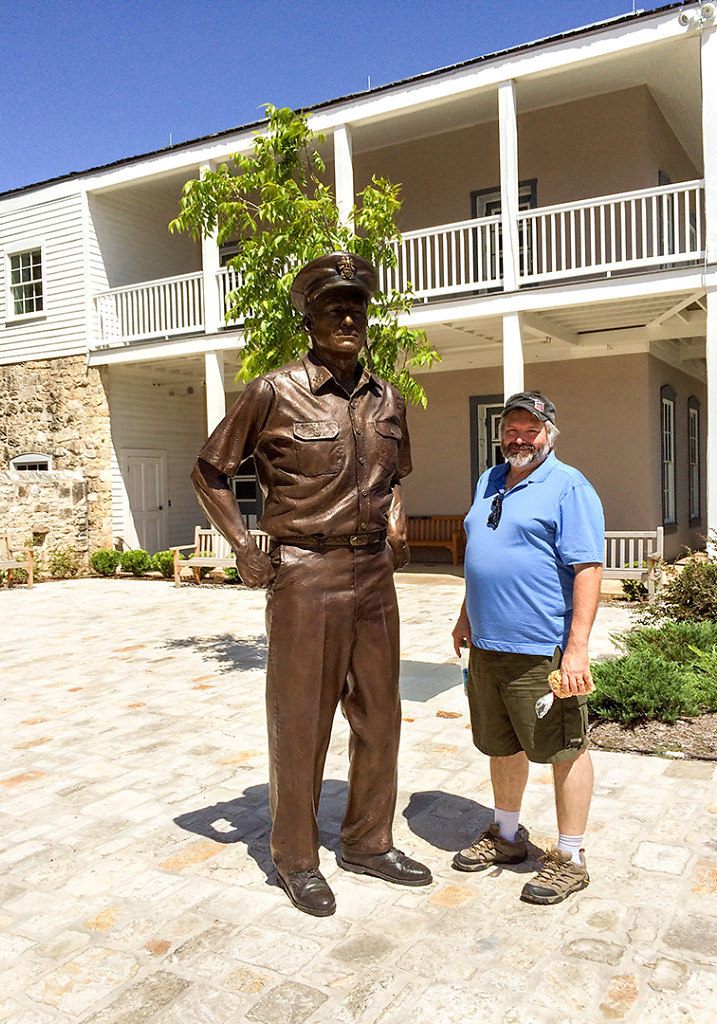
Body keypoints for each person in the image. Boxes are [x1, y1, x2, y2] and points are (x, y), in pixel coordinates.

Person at [191, 252, 432, 917]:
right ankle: (295, 857)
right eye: (334, 308)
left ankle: (367, 841)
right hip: (306, 573)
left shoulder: (388, 397)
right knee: (301, 724)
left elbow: (394, 478)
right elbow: (210, 471)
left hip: (374, 577)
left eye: (356, 306)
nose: (349, 317)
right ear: (310, 317)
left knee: (381, 719)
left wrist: (399, 526)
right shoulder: (273, 391)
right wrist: (243, 545)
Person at [451, 391, 604, 905]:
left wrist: (577, 649)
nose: (519, 437)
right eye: (511, 428)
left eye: (530, 430)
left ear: (549, 434)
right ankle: (508, 835)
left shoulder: (568, 487)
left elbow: (587, 569)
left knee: (564, 748)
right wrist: (465, 615)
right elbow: (482, 553)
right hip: (488, 645)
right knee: (501, 744)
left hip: (543, 648)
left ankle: (571, 857)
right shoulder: (489, 481)